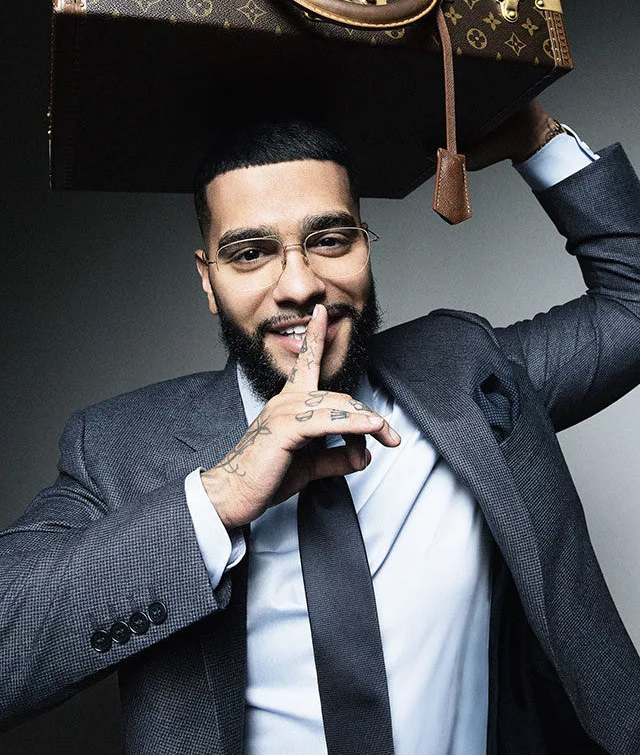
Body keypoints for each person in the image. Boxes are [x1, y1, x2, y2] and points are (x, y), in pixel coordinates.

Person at [1, 101, 639, 755]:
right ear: (208, 279)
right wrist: (217, 499)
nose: (300, 286)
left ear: (365, 243)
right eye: (250, 253)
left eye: (330, 240)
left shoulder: (462, 368)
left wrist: (536, 138)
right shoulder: (121, 446)